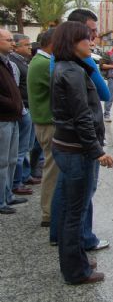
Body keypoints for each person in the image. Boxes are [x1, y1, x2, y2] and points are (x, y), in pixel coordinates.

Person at [50, 21, 113, 284]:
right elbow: (82, 116)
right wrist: (96, 151)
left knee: (71, 209)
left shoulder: (71, 67)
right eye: (86, 39)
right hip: (76, 150)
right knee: (75, 212)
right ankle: (75, 271)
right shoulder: (72, 72)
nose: (91, 42)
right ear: (72, 43)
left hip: (69, 147)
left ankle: (76, 259)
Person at [27, 29, 58, 223]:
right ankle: (49, 213)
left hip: (45, 122)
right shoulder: (44, 64)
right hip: (49, 123)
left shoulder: (40, 62)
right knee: (52, 169)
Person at [0, 29, 27, 215]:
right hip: (3, 118)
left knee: (10, 159)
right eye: (8, 40)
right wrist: (12, 103)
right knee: (2, 161)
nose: (13, 43)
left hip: (13, 117)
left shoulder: (7, 63)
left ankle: (8, 194)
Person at [9, 34, 36, 196]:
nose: (29, 48)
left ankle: (25, 176)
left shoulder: (23, 61)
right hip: (23, 109)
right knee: (20, 149)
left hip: (27, 108)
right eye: (26, 45)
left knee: (27, 147)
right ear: (16, 47)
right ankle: (16, 182)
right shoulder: (14, 63)